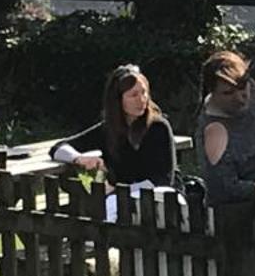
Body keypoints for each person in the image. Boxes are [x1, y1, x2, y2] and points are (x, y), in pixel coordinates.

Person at [59, 62, 178, 193]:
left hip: (160, 199)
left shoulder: (158, 127)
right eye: (133, 95)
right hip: (122, 201)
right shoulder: (108, 130)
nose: (142, 99)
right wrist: (78, 158)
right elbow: (59, 147)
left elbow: (163, 180)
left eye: (144, 93)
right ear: (117, 100)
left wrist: (118, 191)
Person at [197, 50, 255, 206]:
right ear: (212, 92)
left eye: (243, 87)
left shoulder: (244, 83)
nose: (240, 97)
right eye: (228, 93)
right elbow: (222, 189)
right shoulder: (215, 130)